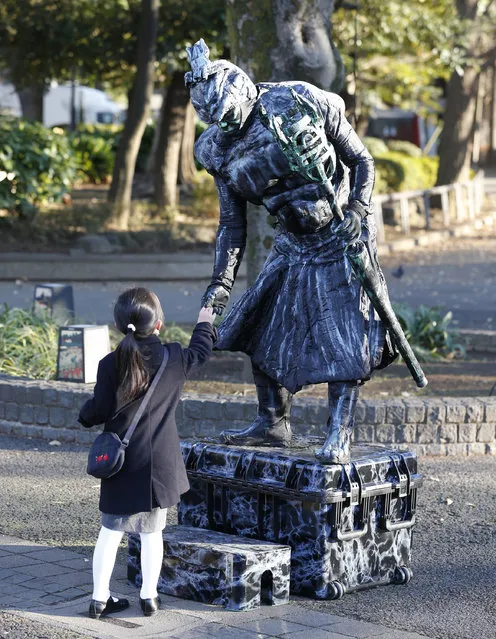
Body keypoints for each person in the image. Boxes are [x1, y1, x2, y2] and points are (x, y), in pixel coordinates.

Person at [185, 40, 397, 464]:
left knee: (344, 333)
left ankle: (339, 431)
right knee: (258, 322)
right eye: (215, 119)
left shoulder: (299, 99)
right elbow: (232, 223)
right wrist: (220, 284)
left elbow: (362, 161)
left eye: (229, 114)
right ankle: (272, 422)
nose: (225, 125)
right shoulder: (214, 149)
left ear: (242, 91)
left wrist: (358, 207)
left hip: (341, 231)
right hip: (293, 241)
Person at [79, 287, 216, 619]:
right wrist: (204, 321)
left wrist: (85, 412)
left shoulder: (110, 364)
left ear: (118, 325)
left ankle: (99, 600)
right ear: (159, 325)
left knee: (110, 531)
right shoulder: (174, 358)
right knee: (153, 532)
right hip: (158, 465)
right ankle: (149, 598)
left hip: (120, 462)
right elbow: (201, 350)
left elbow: (95, 412)